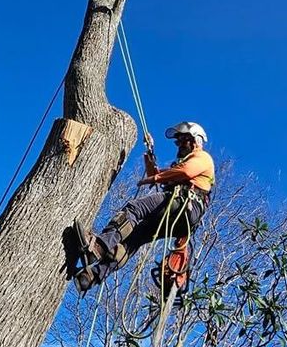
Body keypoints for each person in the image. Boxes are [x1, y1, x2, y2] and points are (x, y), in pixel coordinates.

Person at [72, 122, 214, 294]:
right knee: (135, 237)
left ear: (196, 140)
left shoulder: (202, 158)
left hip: (184, 204)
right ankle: (92, 276)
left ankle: (99, 247)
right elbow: (157, 175)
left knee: (135, 209)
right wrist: (149, 154)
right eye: (178, 142)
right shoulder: (179, 167)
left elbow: (184, 172)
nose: (180, 145)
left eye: (184, 140)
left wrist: (154, 179)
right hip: (182, 215)